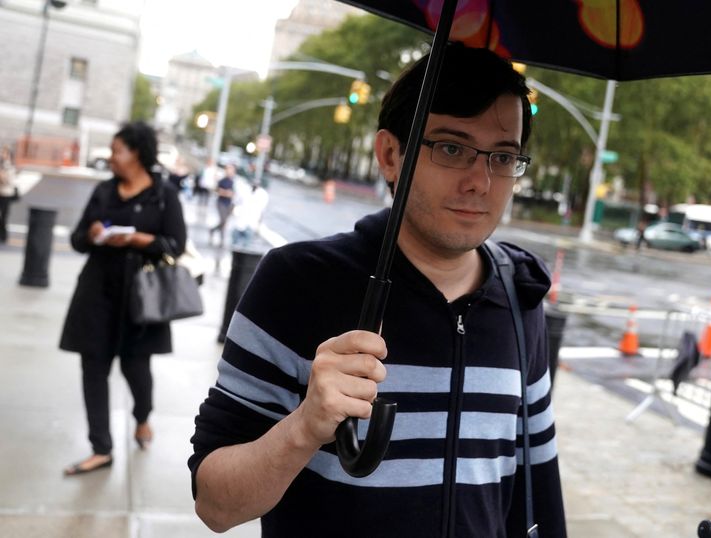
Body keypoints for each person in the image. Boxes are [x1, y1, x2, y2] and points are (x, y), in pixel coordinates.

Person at [189, 43, 566, 537]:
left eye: (502, 156)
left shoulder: (520, 298)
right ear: (391, 155)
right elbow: (216, 505)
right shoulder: (297, 283)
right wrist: (305, 426)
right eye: (452, 148)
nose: (481, 181)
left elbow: (538, 490)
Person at [60, 121, 187, 475]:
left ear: (137, 154)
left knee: (137, 370)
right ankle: (101, 448)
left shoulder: (164, 195)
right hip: (97, 293)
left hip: (141, 299)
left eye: (117, 150)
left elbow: (176, 245)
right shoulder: (104, 191)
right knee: (93, 369)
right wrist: (93, 233)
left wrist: (137, 240)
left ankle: (142, 417)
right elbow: (76, 240)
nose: (111, 157)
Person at [231, 179, 269, 247]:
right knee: (234, 241)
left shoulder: (263, 194)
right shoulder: (245, 191)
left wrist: (259, 225)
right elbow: (236, 202)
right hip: (240, 219)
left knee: (247, 243)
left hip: (252, 222)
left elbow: (263, 211)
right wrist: (234, 213)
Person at [209, 163, 236, 246]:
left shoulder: (233, 182)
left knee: (224, 223)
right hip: (221, 203)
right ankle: (221, 239)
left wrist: (227, 193)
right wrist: (226, 193)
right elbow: (218, 191)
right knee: (223, 220)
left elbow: (234, 194)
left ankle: (213, 231)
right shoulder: (222, 181)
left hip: (229, 204)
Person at [0, 145, 17, 243]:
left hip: (6, 194)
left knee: (4, 216)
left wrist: (2, 176)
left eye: (4, 153)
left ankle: (3, 235)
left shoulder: (10, 166)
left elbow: (10, 181)